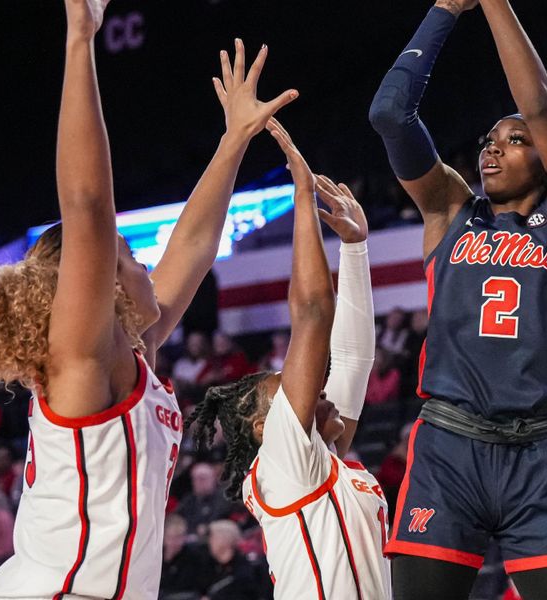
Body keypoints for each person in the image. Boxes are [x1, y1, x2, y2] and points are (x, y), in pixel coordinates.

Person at [0, 0, 297, 595]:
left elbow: (196, 246)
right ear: (101, 280)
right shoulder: (83, 356)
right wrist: (81, 40)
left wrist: (235, 140)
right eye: (131, 257)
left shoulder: (132, 353)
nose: (147, 266)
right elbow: (85, 205)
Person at [369, 0, 547, 598]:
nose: (492, 149)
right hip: (449, 449)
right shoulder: (449, 210)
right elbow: (391, 114)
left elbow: (540, 106)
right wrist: (446, 9)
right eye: (488, 140)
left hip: (541, 455)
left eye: (515, 140)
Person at [187, 120, 391, 598]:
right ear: (266, 427)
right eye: (296, 387)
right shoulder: (283, 462)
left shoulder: (321, 463)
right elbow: (315, 313)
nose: (317, 385)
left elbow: (353, 360)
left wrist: (356, 247)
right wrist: (302, 197)